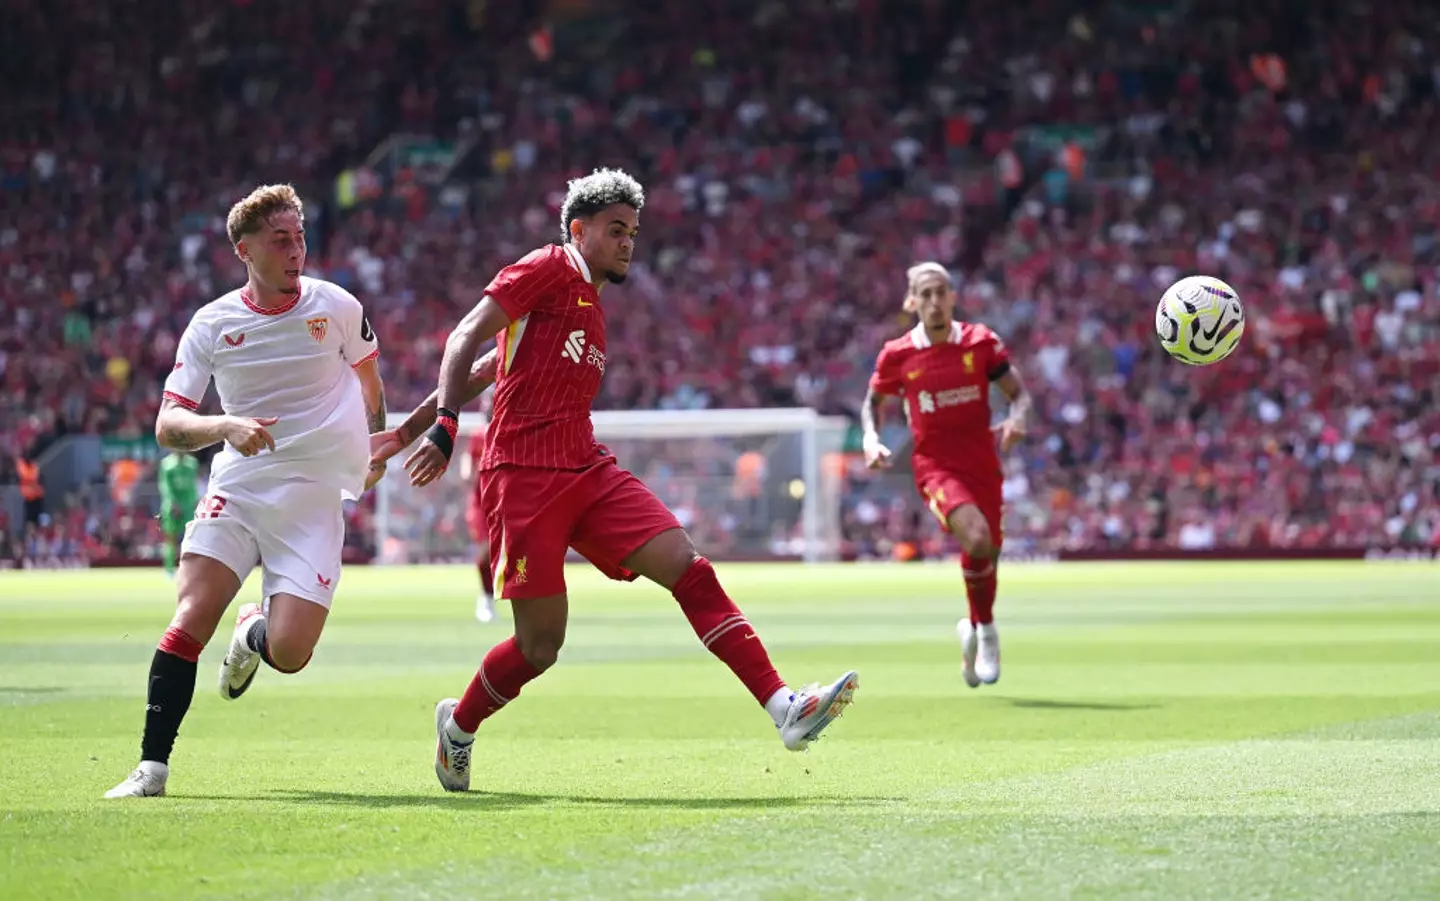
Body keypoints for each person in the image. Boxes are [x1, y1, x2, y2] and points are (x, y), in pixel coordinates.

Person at [375, 168, 857, 792]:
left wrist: (406, 430)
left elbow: (489, 369)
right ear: (580, 230)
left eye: (633, 231)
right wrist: (435, 426)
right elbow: (467, 337)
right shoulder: (548, 266)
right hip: (523, 476)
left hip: (586, 467)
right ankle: (459, 727)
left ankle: (783, 706)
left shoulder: (591, 308)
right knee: (539, 647)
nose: (629, 242)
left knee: (689, 566)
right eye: (616, 230)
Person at [105, 184, 388, 798]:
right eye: (281, 240)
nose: (296, 251)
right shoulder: (212, 324)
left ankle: (255, 630)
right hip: (239, 482)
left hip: (313, 496)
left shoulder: (336, 306)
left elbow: (372, 390)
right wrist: (224, 426)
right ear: (245, 249)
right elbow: (168, 424)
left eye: (301, 237)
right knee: (190, 616)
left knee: (290, 653)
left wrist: (372, 451)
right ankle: (151, 768)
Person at [860, 262, 1032, 688]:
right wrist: (870, 437)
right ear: (912, 301)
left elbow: (1020, 394)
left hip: (983, 464)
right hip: (935, 466)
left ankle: (971, 631)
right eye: (926, 294)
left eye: (941, 293)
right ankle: (988, 634)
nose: (934, 302)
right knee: (975, 538)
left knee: (987, 552)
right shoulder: (898, 354)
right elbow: (872, 403)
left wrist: (1018, 419)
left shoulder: (981, 342)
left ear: (953, 296)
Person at [458, 403, 497, 623]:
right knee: (485, 552)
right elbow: (468, 461)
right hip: (481, 504)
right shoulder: (479, 435)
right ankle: (486, 598)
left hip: (507, 504)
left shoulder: (512, 431)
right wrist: (468, 473)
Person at [157, 450, 199, 578]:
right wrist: (173, 503)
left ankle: (189, 568)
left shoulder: (192, 463)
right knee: (171, 539)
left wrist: (194, 502)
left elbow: (193, 486)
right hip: (171, 507)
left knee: (191, 538)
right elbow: (165, 487)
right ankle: (169, 569)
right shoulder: (166, 464)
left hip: (188, 506)